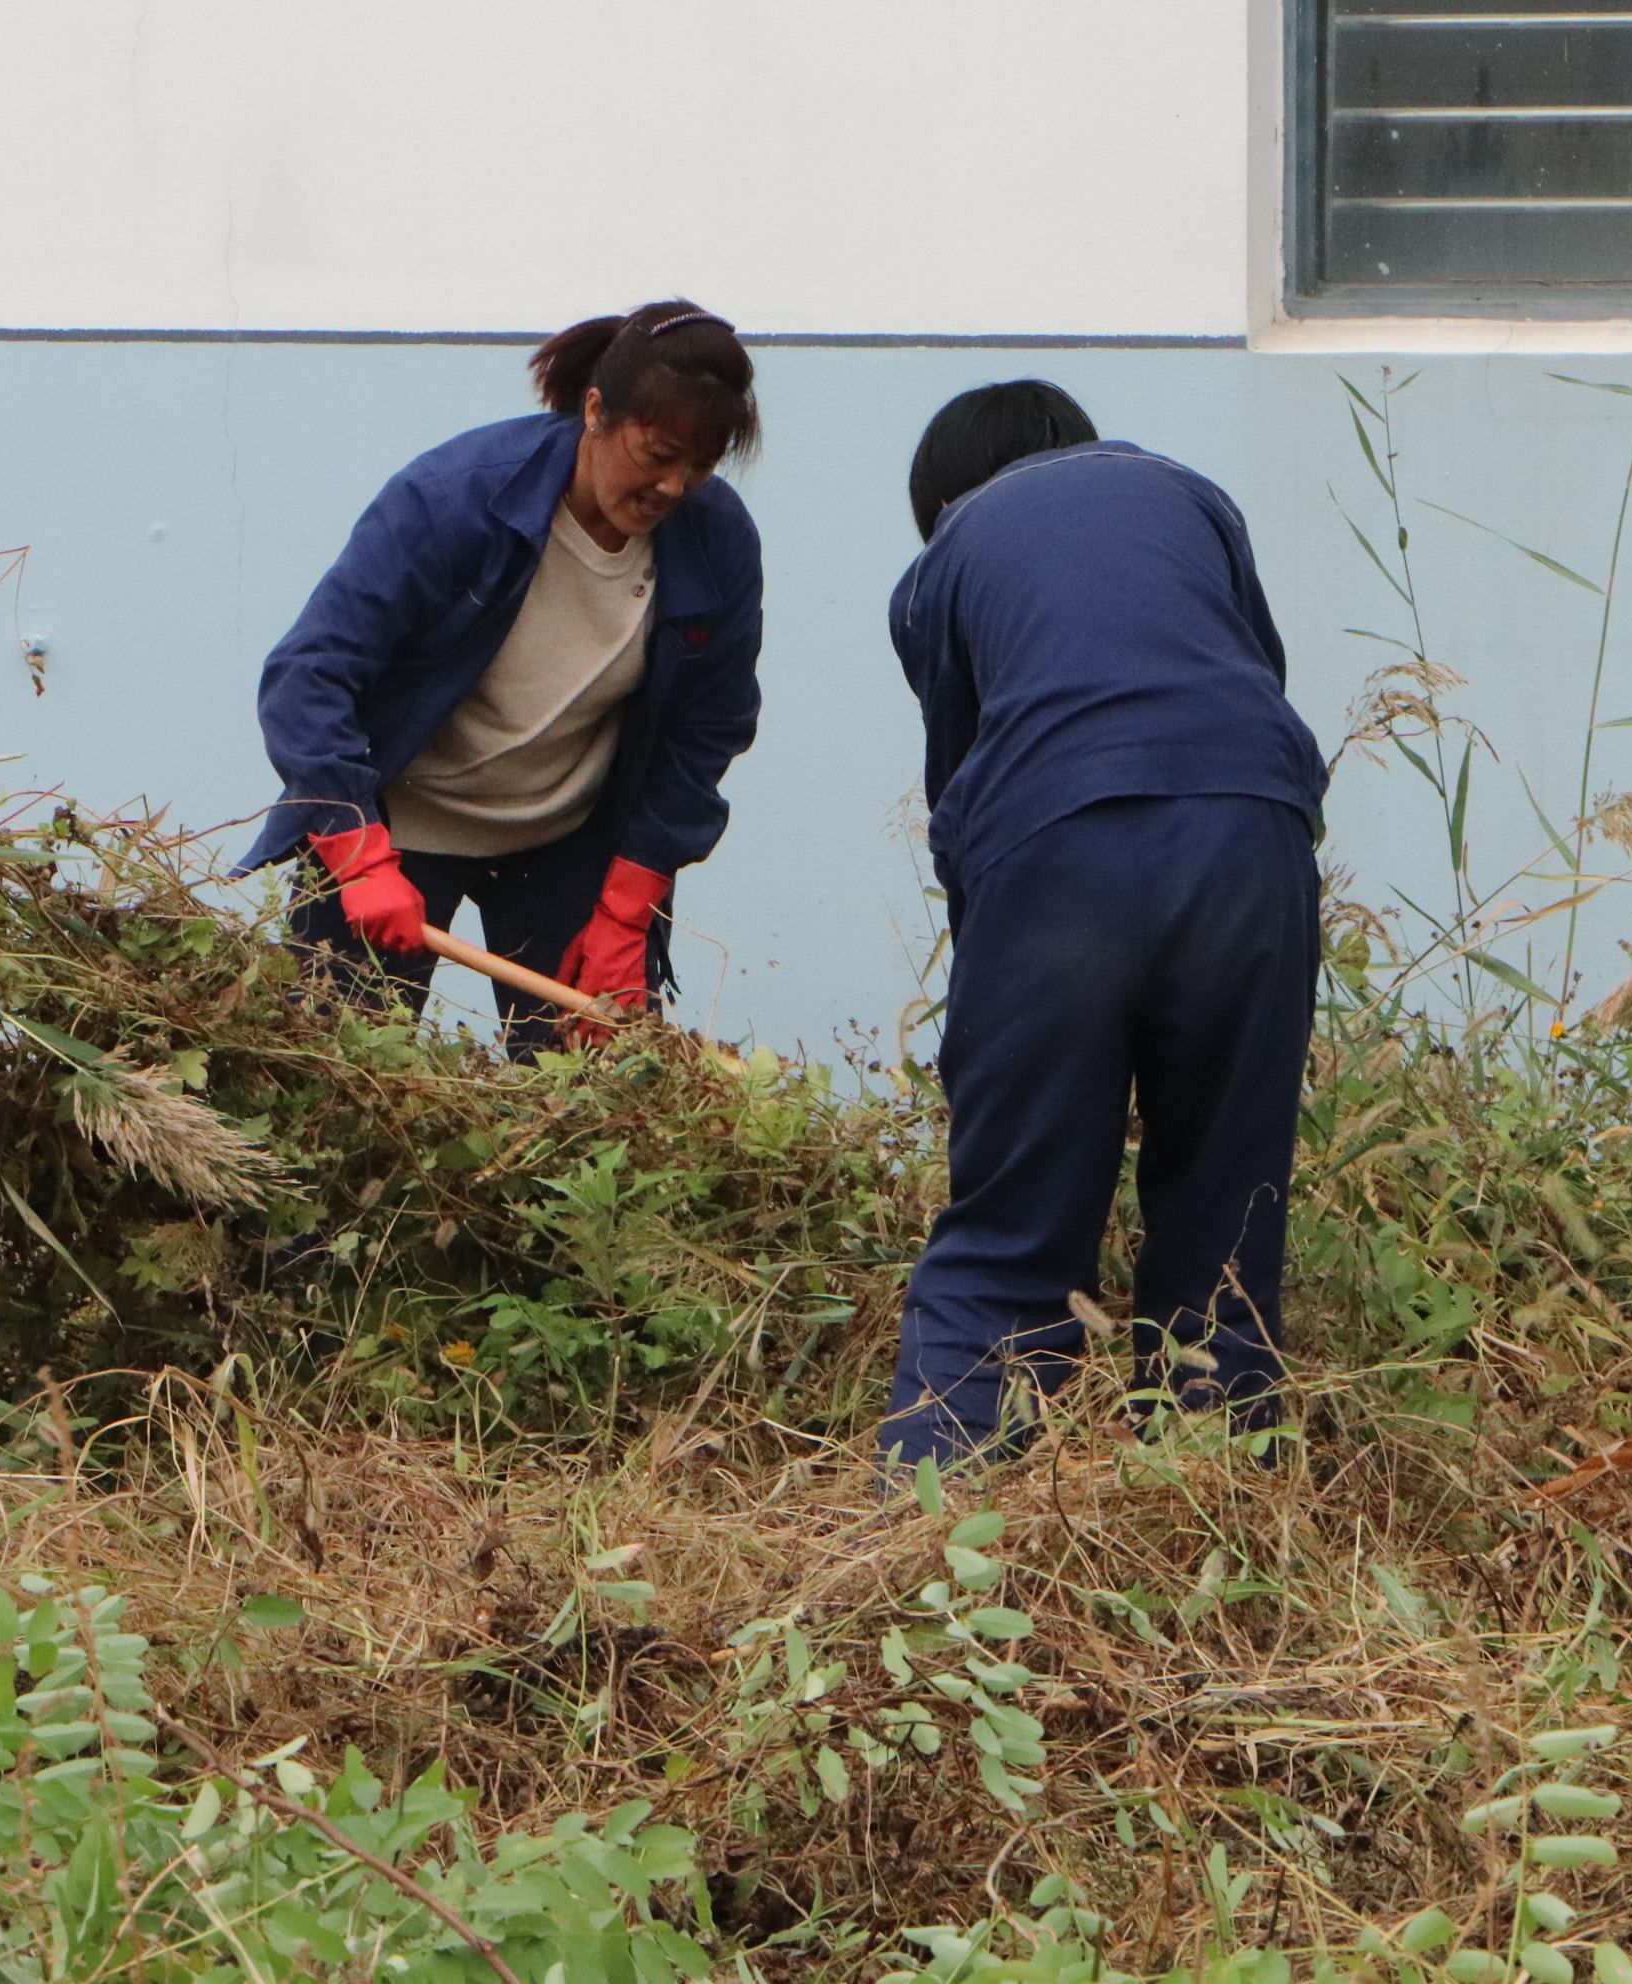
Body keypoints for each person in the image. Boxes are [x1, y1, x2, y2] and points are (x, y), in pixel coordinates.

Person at [875, 382, 1327, 1468]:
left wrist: (1002, 1022)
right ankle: (1218, 1492)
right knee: (1226, 1219)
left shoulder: (942, 565)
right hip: (1253, 840)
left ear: (943, 503)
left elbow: (961, 799)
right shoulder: (1190, 497)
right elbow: (1254, 679)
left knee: (1011, 1227)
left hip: (1056, 854)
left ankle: (943, 1522)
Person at [242, 301, 765, 1057]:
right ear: (595, 410)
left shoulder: (714, 539)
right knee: (333, 1074)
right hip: (399, 828)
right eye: (657, 453)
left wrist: (627, 911)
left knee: (598, 1088)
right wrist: (357, 851)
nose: (673, 487)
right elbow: (308, 676)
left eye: (701, 466)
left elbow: (706, 728)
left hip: (568, 840)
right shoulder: (455, 498)